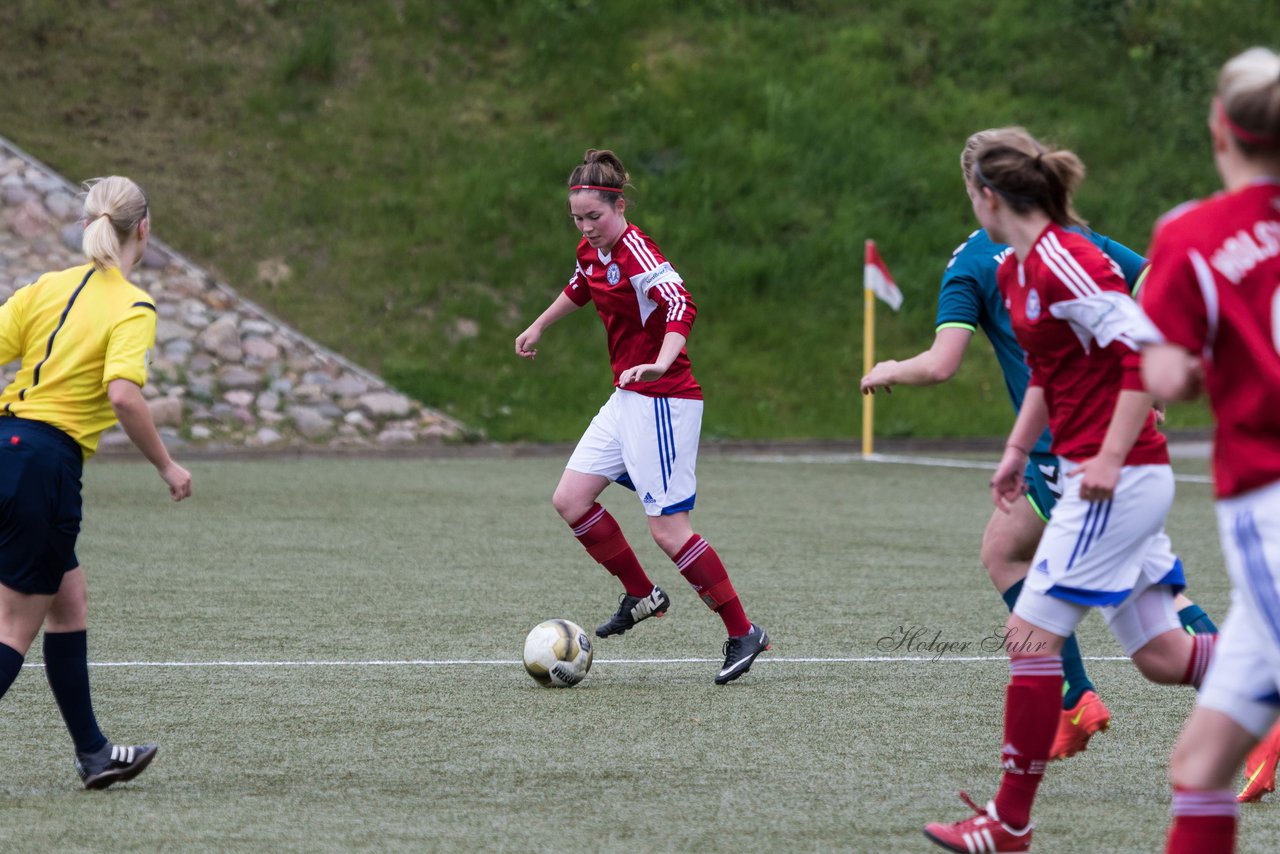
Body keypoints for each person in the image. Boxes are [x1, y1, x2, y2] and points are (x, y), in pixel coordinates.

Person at [861, 128, 1219, 764]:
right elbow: (1091, 337)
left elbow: (947, 362)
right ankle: (1097, 702)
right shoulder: (1057, 252)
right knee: (1153, 643)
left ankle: (1019, 795)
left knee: (1032, 625)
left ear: (985, 193)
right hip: (1078, 451)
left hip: (1097, 458)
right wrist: (1017, 449)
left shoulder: (1015, 257)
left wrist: (891, 366)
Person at [515, 149, 769, 685]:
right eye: (578, 219)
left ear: (619, 205)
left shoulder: (637, 251)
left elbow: (681, 305)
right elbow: (582, 286)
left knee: (670, 531)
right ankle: (641, 594)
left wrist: (661, 362)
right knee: (571, 499)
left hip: (664, 399)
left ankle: (744, 631)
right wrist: (539, 325)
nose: (587, 228)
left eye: (595, 218)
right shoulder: (593, 249)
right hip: (626, 398)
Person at [0, 176, 192, 789]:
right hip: (44, 466)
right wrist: (167, 465)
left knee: (68, 602)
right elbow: (123, 396)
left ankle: (93, 754)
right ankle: (92, 752)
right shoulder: (132, 305)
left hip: (8, 449)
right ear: (144, 230)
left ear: (89, 224)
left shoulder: (45, 288)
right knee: (11, 630)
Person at [1139, 46, 1280, 852]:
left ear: (1221, 129)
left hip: (1270, 498)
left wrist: (1185, 360)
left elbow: (1168, 377)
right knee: (1200, 765)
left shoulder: (1193, 234)